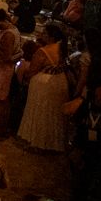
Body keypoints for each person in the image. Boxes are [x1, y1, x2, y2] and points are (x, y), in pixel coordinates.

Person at [16, 23, 71, 152]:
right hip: (60, 81)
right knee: (54, 113)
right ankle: (53, 143)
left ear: (51, 37)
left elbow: (33, 70)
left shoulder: (42, 51)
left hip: (44, 84)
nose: (42, 35)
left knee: (40, 113)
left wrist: (24, 76)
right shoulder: (61, 47)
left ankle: (37, 142)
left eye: (44, 33)